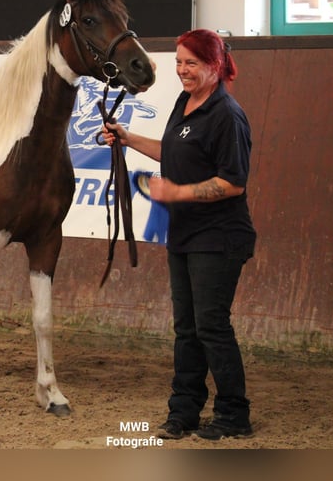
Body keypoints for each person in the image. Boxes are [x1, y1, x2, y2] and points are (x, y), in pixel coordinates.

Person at [102, 29, 256, 441]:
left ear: (215, 65)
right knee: (186, 328)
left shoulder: (227, 116)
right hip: (185, 234)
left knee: (211, 326)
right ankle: (183, 411)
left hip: (219, 237)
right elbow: (173, 150)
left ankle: (233, 414)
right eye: (179, 62)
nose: (182, 70)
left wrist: (176, 192)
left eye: (192, 63)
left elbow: (233, 183)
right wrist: (128, 137)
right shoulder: (184, 103)